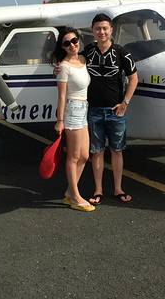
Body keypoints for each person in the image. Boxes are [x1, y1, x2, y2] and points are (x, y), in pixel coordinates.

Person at [84, 14, 138, 205]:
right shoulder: (88, 51)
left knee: (117, 150)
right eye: (98, 28)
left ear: (111, 30)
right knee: (96, 151)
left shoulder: (121, 52)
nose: (102, 32)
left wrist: (125, 103)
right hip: (94, 110)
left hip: (116, 112)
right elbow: (71, 64)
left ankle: (118, 188)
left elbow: (134, 78)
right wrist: (58, 67)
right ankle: (98, 190)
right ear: (92, 31)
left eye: (105, 28)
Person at [51, 27, 95, 212]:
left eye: (74, 41)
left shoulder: (83, 59)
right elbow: (61, 96)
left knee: (84, 155)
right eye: (67, 43)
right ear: (62, 47)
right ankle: (75, 197)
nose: (72, 45)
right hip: (72, 110)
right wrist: (60, 120)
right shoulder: (64, 67)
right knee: (74, 156)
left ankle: (70, 192)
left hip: (83, 109)